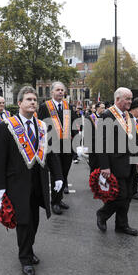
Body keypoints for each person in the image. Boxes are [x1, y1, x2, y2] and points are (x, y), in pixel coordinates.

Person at [0, 86, 63, 275]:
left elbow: (51, 153)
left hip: (38, 181)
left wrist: (58, 176)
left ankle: (29, 249)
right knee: (23, 221)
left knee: (35, 220)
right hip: (17, 183)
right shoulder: (5, 126)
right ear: (19, 103)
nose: (33, 102)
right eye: (29, 99)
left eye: (35, 100)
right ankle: (25, 257)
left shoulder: (42, 125)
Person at [96, 87, 138, 236]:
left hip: (129, 163)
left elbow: (133, 139)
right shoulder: (107, 115)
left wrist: (137, 159)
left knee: (128, 195)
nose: (130, 101)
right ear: (117, 99)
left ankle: (122, 225)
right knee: (120, 195)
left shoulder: (129, 116)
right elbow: (101, 143)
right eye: (127, 99)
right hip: (114, 163)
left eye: (131, 98)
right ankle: (102, 214)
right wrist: (105, 166)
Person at [38, 81, 77, 215]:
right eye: (58, 90)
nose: (60, 92)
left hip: (67, 144)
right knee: (56, 174)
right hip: (52, 145)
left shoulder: (68, 106)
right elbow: (40, 125)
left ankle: (59, 199)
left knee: (64, 173)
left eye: (62, 90)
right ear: (52, 92)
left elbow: (74, 122)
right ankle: (54, 202)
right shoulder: (45, 106)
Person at [129, 98, 138, 200]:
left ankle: (134, 190)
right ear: (133, 109)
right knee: (131, 172)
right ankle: (132, 191)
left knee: (136, 172)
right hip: (130, 149)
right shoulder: (128, 120)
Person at [87, 102, 105, 173]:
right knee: (93, 164)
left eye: (104, 108)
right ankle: (93, 179)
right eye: (102, 108)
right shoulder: (90, 117)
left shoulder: (106, 117)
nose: (104, 109)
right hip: (93, 144)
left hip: (103, 145)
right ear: (97, 108)